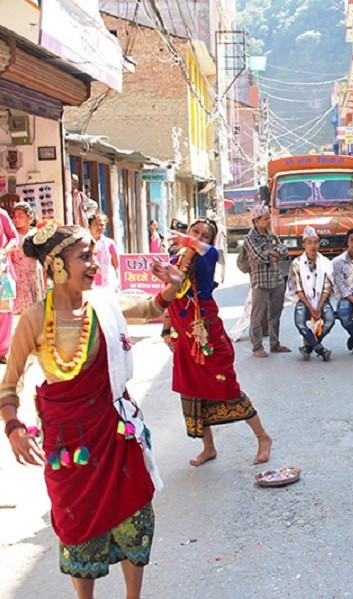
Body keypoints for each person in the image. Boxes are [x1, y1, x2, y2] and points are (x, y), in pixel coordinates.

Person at [1, 221, 182, 596]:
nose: (94, 264)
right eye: (84, 257)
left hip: (114, 433)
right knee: (77, 528)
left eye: (94, 255)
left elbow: (150, 307)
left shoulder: (103, 304)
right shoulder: (35, 320)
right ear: (56, 266)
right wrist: (14, 428)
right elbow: (9, 384)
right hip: (70, 448)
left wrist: (173, 286)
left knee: (135, 514)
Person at [162, 219, 273, 467]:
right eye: (195, 231)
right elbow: (168, 299)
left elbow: (209, 250)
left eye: (205, 234)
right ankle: (209, 447)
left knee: (228, 388)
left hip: (208, 335)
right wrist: (166, 331)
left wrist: (191, 241)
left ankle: (263, 437)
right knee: (192, 392)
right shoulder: (174, 261)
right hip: (185, 338)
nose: (199, 236)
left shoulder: (207, 257)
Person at [244, 204, 291, 358]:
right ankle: (257, 346)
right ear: (256, 221)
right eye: (265, 219)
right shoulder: (250, 238)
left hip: (276, 280)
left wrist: (272, 253)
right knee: (257, 316)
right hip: (260, 282)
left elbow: (284, 250)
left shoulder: (271, 235)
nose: (268, 221)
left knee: (275, 315)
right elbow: (259, 256)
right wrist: (271, 254)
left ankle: (275, 344)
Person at [288, 226, 335, 362]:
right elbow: (298, 289)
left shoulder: (325, 263)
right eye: (309, 242)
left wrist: (319, 306)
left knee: (330, 320)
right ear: (304, 245)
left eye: (315, 242)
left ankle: (309, 347)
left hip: (321, 300)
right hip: (304, 300)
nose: (313, 246)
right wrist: (310, 307)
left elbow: (327, 287)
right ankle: (320, 349)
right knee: (299, 322)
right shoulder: (296, 263)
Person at [9, 202, 44, 316]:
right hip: (17, 274)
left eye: (20, 216)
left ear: (30, 217)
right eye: (14, 216)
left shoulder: (37, 233)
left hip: (34, 273)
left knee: (34, 309)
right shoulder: (12, 236)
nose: (16, 219)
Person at [0, 206, 19, 362]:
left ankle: (2, 350)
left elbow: (14, 237)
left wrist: (4, 250)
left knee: (5, 309)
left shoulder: (1, 214)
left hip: (2, 268)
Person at [87, 214, 119, 291]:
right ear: (89, 226)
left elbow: (116, 264)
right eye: (95, 224)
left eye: (102, 225)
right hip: (90, 281)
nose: (99, 227)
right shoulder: (85, 243)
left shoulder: (110, 243)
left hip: (107, 283)